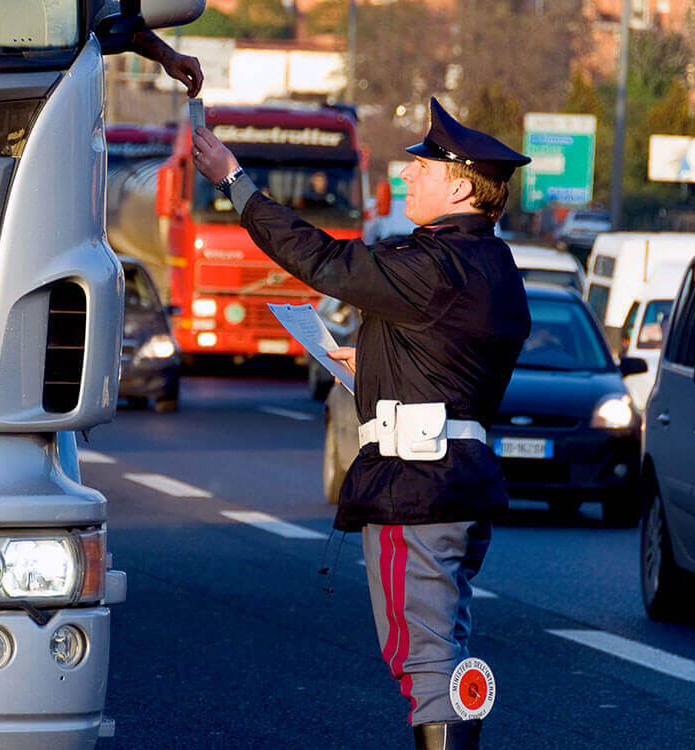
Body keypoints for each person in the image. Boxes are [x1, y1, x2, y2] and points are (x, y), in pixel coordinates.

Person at [192, 97, 531, 750]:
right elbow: (453, 367)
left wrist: (235, 182)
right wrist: (374, 361)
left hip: (416, 489)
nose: (406, 176)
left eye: (423, 167)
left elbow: (322, 261)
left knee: (426, 664)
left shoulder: (434, 266)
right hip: (453, 485)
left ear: (460, 185)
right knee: (441, 653)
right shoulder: (492, 267)